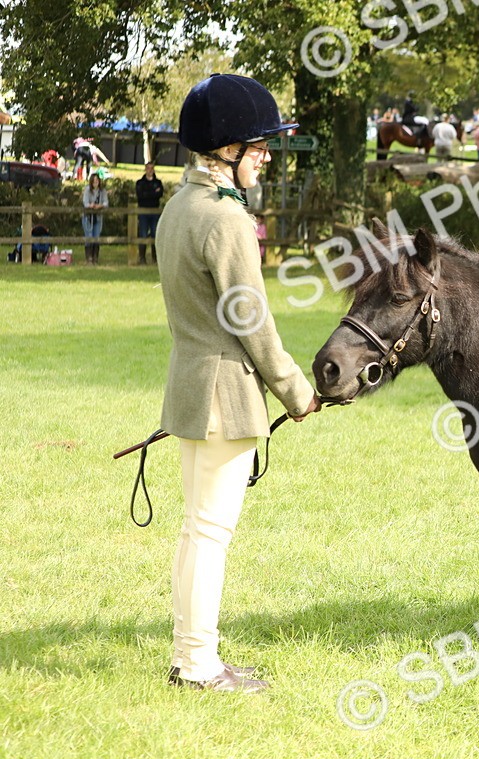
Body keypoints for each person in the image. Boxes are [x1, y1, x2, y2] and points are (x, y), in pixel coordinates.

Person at [158, 73, 320, 693]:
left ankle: (191, 657)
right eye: (258, 145)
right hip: (225, 391)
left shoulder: (180, 207)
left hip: (191, 386)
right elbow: (251, 319)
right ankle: (199, 666)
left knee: (196, 527)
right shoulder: (226, 219)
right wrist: (296, 390)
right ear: (225, 147)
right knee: (210, 531)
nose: (266, 155)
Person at [135, 162, 165, 264]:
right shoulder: (140, 182)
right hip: (143, 212)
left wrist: (148, 193)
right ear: (145, 169)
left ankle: (155, 258)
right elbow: (140, 196)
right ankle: (142, 258)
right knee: (143, 234)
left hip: (154, 212)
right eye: (148, 168)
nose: (150, 170)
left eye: (152, 168)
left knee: (155, 234)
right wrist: (153, 192)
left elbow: (160, 194)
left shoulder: (158, 182)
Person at [81, 173, 108, 264]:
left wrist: (99, 206)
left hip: (98, 217)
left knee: (96, 237)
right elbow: (85, 203)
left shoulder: (102, 191)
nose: (95, 182)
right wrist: (91, 206)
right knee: (89, 236)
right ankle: (89, 258)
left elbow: (106, 203)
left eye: (97, 180)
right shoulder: (87, 190)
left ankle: (95, 258)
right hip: (88, 217)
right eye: (94, 180)